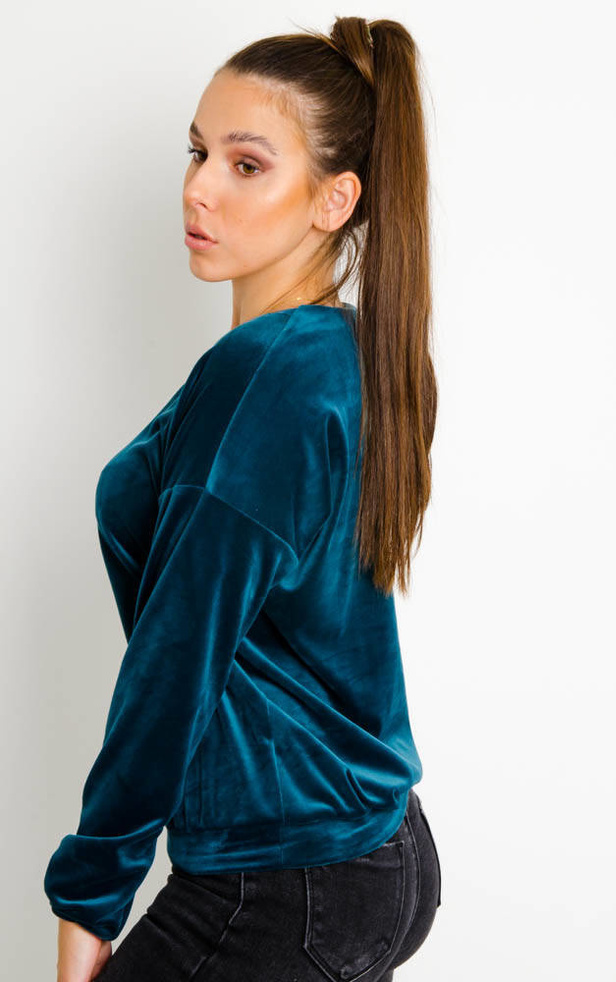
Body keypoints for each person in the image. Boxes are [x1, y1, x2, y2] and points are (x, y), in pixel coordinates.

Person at [44, 15, 441, 982]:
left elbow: (175, 661)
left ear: (335, 199)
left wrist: (90, 900)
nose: (199, 187)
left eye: (247, 164)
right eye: (198, 152)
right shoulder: (344, 352)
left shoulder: (263, 375)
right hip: (375, 848)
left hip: (283, 879)